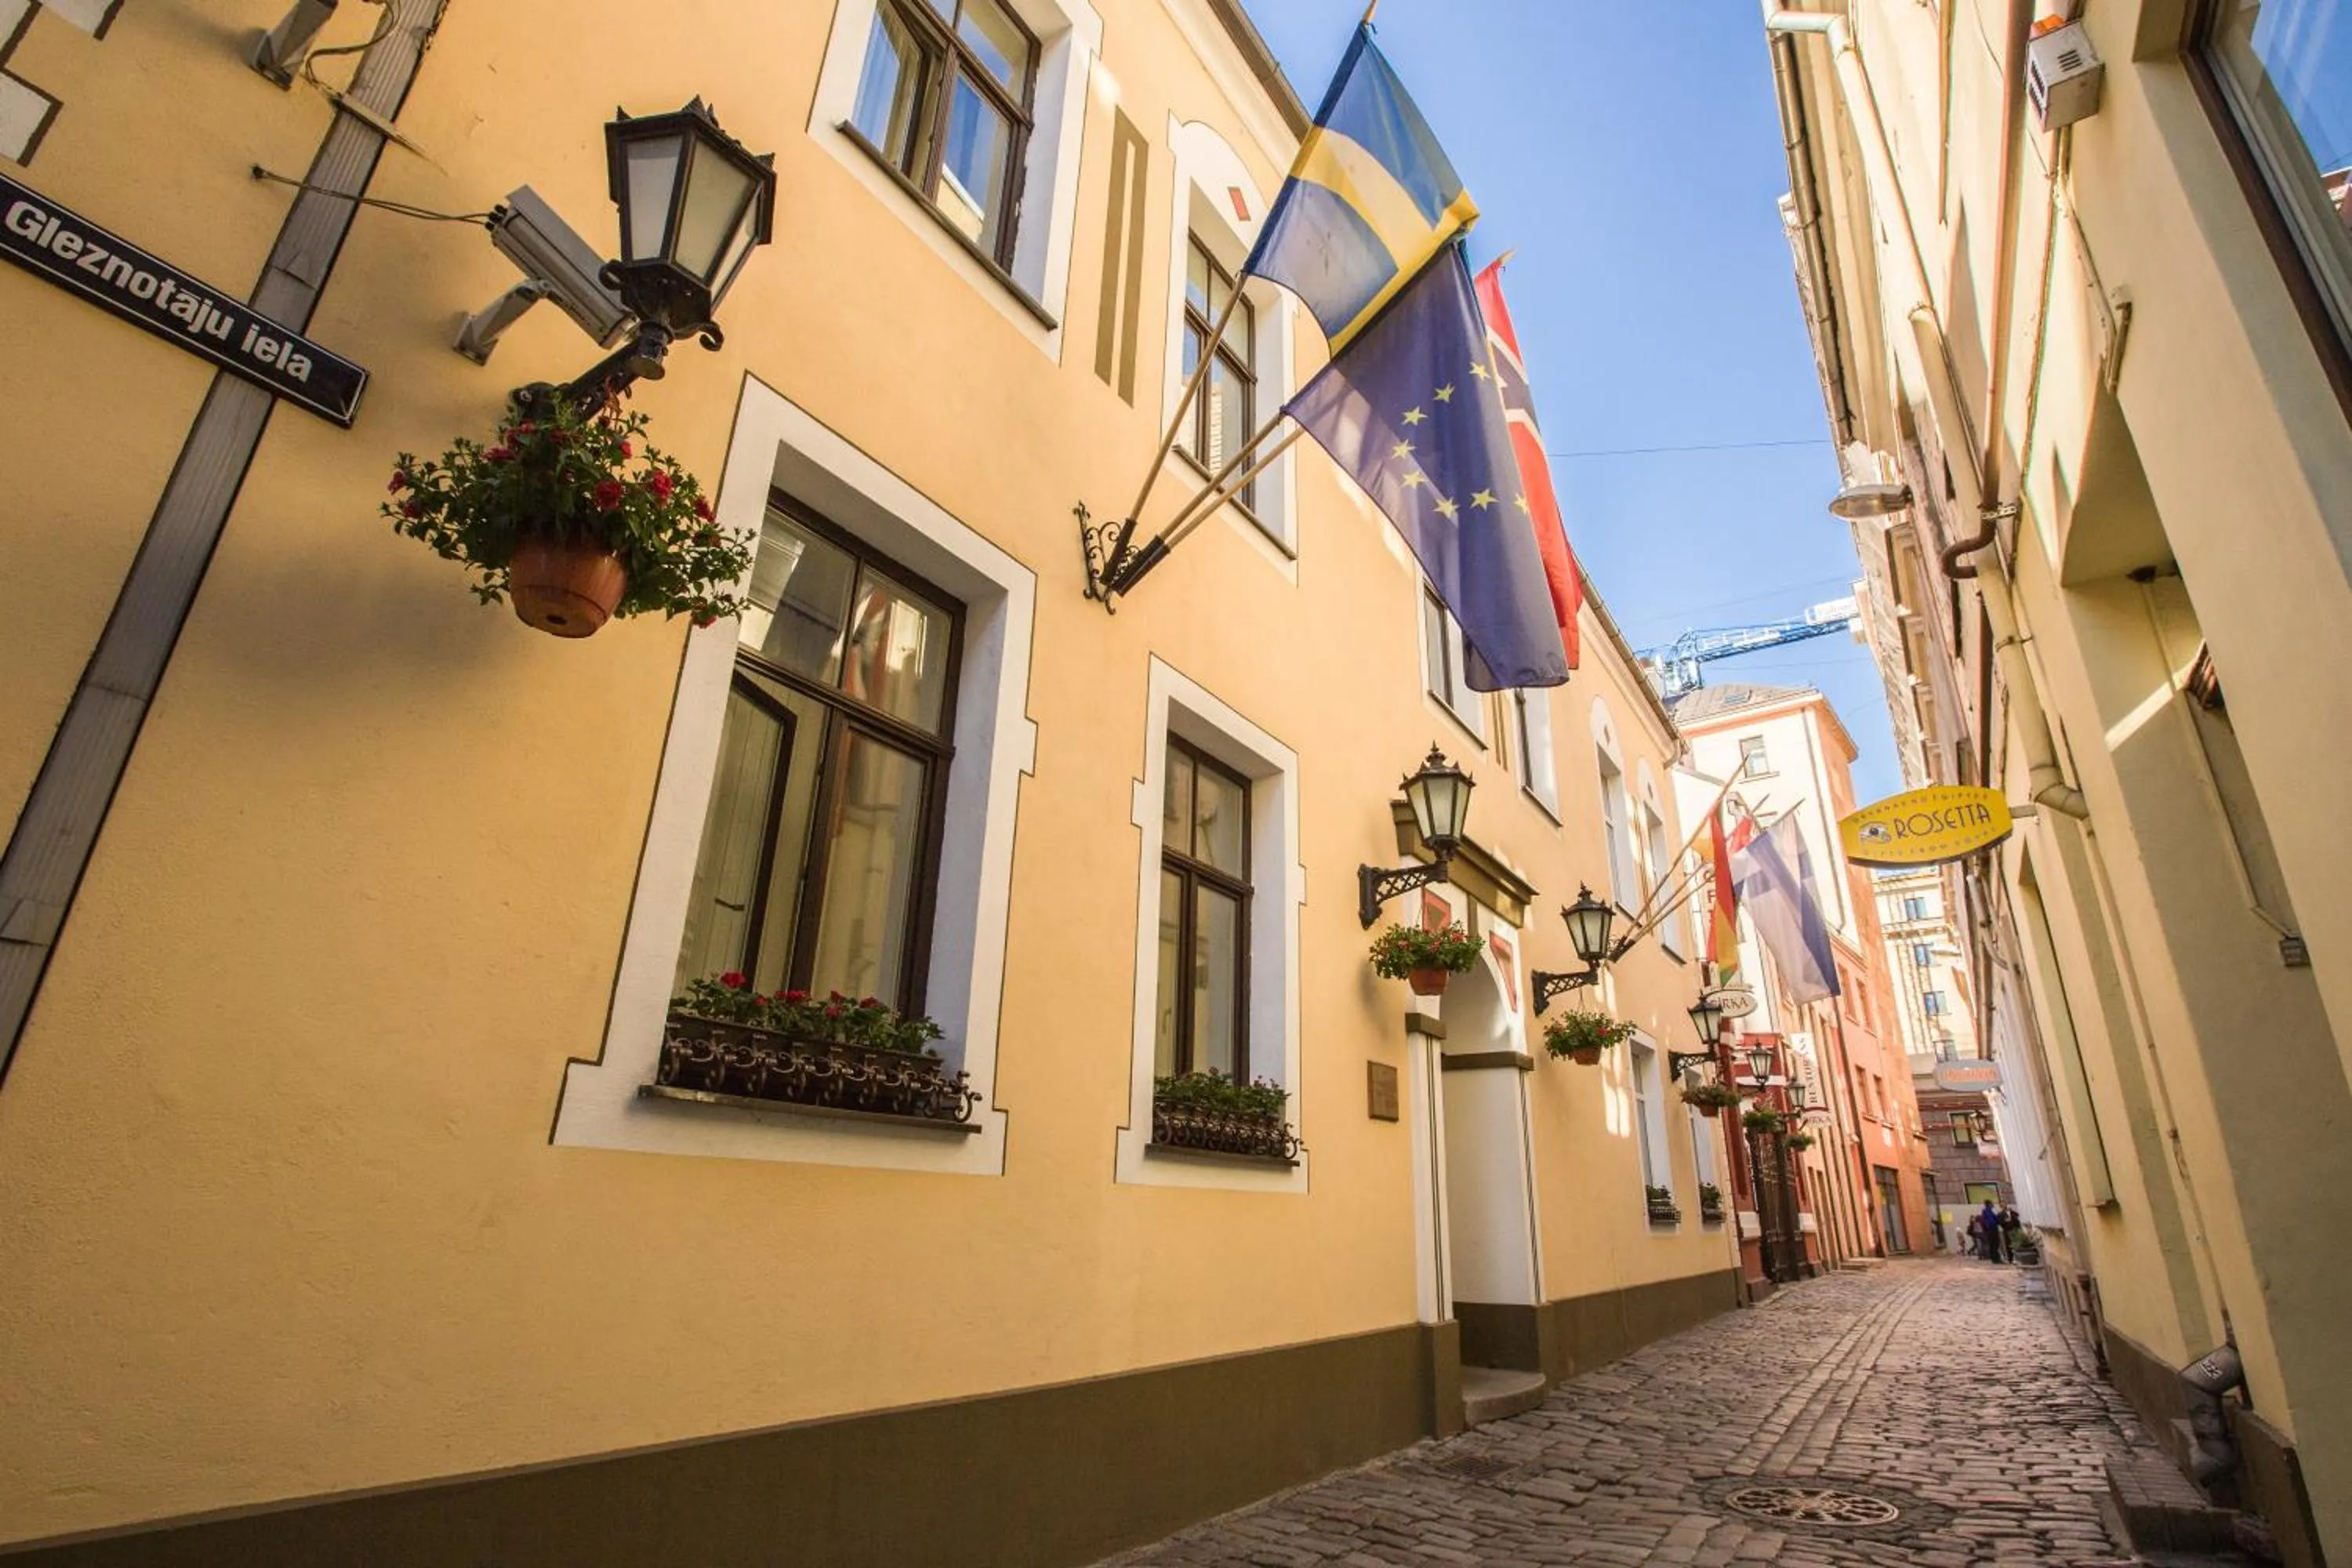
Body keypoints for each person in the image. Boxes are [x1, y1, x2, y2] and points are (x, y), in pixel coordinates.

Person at [1978, 1199, 2005, 1263]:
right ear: (1990, 1204)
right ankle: (1996, 1259)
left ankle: (1994, 1259)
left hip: (1989, 1230)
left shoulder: (1985, 1211)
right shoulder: (1990, 1210)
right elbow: (1994, 1220)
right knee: (1995, 1244)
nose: (1993, 1205)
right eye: (1992, 1203)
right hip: (1993, 1229)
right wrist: (1998, 1221)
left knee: (1992, 1244)